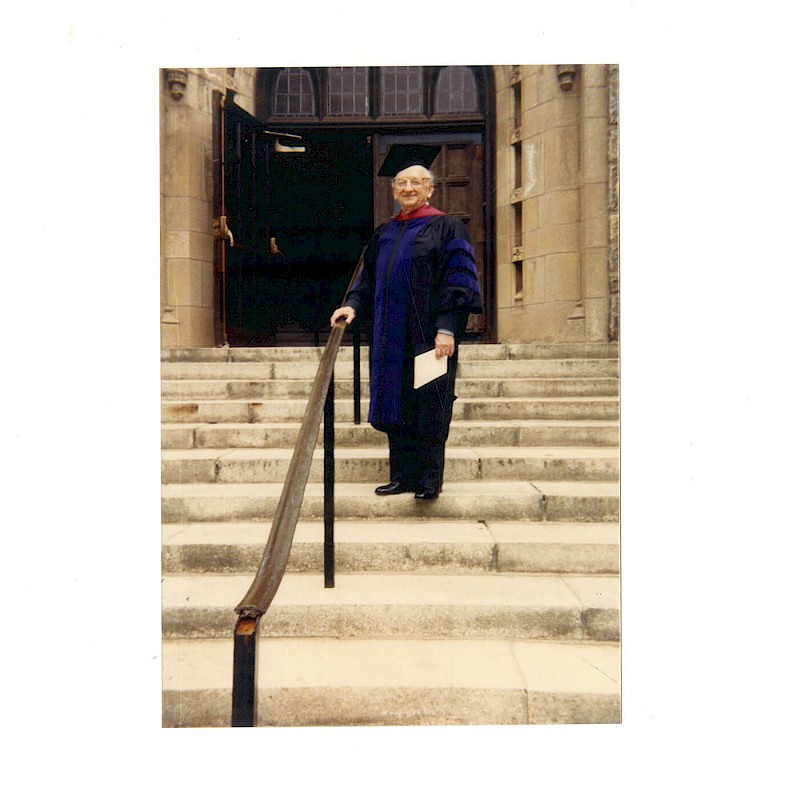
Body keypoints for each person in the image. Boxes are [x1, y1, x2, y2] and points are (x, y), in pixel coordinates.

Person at [330, 152, 482, 500]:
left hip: (428, 336)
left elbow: (458, 282)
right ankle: (401, 475)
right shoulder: (385, 232)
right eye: (402, 183)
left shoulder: (447, 227)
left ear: (429, 190)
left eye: (416, 182)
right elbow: (366, 279)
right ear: (394, 190)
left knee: (429, 403)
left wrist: (447, 328)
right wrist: (352, 306)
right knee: (394, 402)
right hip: (389, 336)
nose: (408, 188)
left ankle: (429, 480)